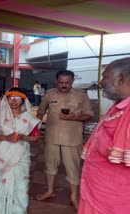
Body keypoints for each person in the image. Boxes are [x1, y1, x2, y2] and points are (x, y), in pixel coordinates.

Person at [36, 70, 94, 209]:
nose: (64, 85)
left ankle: (74, 196)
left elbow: (89, 115)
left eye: (67, 82)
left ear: (72, 81)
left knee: (73, 168)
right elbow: (39, 113)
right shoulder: (49, 94)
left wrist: (74, 117)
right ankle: (50, 191)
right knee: (50, 165)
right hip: (52, 137)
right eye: (61, 82)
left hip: (72, 139)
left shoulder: (81, 96)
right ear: (56, 81)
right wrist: (34, 130)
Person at [79, 58, 130, 214]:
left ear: (120, 78)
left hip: (114, 202)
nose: (101, 82)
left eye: (104, 76)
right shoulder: (118, 107)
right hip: (95, 194)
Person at [0, 87, 41, 214]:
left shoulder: (28, 117)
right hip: (1, 154)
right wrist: (5, 137)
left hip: (21, 155)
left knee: (21, 186)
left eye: (17, 98)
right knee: (1, 184)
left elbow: (36, 138)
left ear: (23, 100)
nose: (14, 100)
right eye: (11, 97)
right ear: (6, 99)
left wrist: (23, 137)